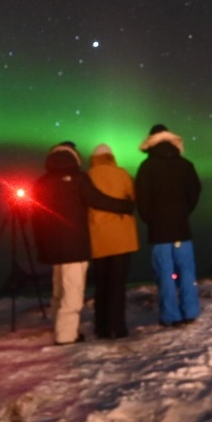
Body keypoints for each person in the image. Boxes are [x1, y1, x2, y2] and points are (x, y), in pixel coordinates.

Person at [30, 142, 134, 345]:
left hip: (52, 246)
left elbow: (36, 217)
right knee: (73, 291)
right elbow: (98, 200)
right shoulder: (79, 179)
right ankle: (66, 335)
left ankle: (58, 324)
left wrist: (41, 244)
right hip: (75, 244)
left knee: (59, 289)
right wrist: (125, 206)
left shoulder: (41, 182)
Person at [135, 124, 203, 326]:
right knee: (187, 271)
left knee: (164, 274)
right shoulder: (185, 164)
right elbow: (195, 191)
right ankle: (190, 312)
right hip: (181, 227)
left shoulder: (146, 167)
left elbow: (142, 199)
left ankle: (170, 316)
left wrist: (151, 218)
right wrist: (183, 212)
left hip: (159, 230)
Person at [86, 144, 139, 339]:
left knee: (101, 284)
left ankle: (101, 326)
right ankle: (117, 326)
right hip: (122, 238)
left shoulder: (88, 176)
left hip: (98, 237)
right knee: (118, 284)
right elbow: (134, 197)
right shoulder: (122, 174)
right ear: (111, 157)